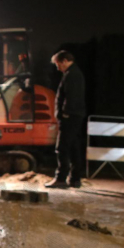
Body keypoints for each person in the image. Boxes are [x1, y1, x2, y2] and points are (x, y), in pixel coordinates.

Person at [46, 50, 86, 189]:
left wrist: (65, 113)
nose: (57, 67)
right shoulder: (74, 73)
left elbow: (71, 96)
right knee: (74, 148)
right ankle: (75, 179)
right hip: (75, 116)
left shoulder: (71, 75)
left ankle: (61, 178)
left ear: (64, 61)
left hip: (70, 117)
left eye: (58, 64)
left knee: (62, 148)